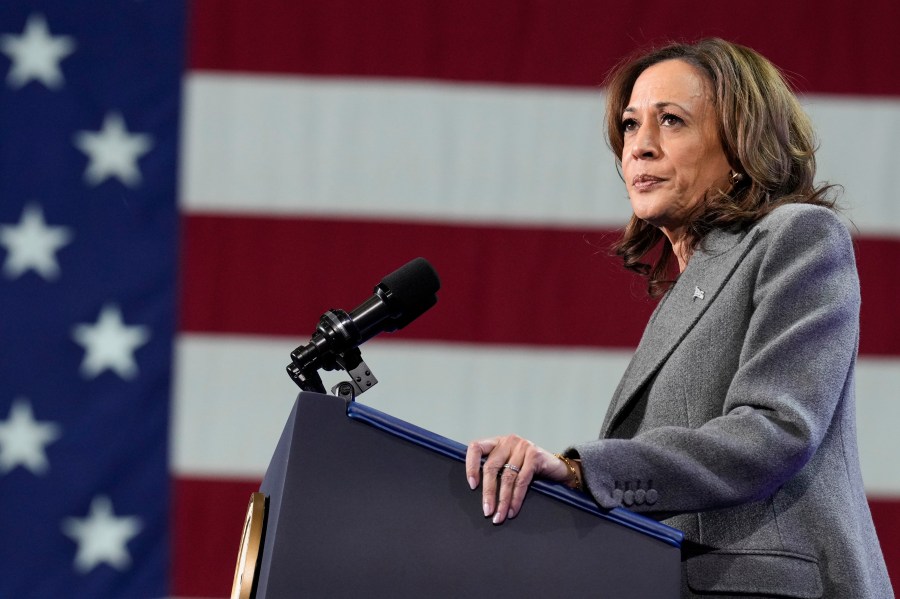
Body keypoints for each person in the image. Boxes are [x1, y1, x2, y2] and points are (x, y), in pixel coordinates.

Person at [465, 38, 894, 598]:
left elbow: (775, 431)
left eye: (671, 121)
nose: (639, 148)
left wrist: (579, 470)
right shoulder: (689, 288)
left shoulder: (799, 236)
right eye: (629, 125)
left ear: (742, 146)